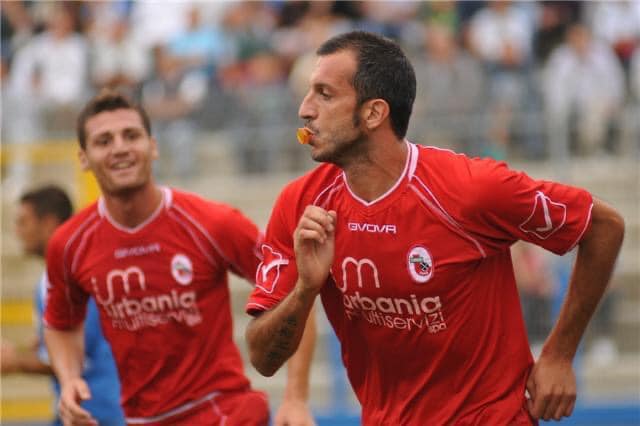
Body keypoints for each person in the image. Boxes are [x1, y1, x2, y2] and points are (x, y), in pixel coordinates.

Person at [244, 31, 625, 424]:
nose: (305, 110)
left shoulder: (470, 189)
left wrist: (559, 353)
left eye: (324, 94)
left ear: (374, 113)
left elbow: (603, 226)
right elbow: (262, 359)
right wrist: (305, 289)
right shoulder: (302, 205)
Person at [43, 90, 316, 425]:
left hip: (222, 411)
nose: (120, 148)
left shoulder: (212, 223)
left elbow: (295, 293)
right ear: (83, 158)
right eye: (104, 141)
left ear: (153, 147)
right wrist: (69, 378)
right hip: (140, 419)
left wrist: (296, 397)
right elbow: (60, 323)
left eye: (131, 135)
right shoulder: (69, 244)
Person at [2, 185, 124, 425]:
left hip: (100, 413)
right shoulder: (50, 280)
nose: (18, 231)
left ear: (48, 223)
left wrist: (15, 361)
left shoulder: (80, 275)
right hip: (75, 411)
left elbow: (76, 353)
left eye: (24, 222)